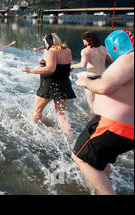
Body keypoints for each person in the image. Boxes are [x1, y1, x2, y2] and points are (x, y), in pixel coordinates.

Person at [72, 30, 134, 195]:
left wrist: (85, 82)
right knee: (99, 161)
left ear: (115, 47)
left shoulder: (129, 59)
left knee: (80, 157)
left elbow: (104, 87)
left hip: (115, 125)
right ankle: (98, 188)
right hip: (125, 127)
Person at [21, 33, 75, 137]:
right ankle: (70, 137)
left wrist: (29, 70)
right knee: (61, 113)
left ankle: (32, 133)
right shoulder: (67, 50)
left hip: (49, 84)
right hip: (64, 83)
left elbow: (50, 69)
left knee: (37, 111)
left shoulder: (51, 51)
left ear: (47, 42)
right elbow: (66, 67)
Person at [71, 31, 113, 112]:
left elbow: (83, 65)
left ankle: (96, 120)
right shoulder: (103, 48)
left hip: (92, 78)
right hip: (103, 78)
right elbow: (112, 60)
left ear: (88, 40)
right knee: (101, 102)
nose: (83, 41)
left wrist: (72, 66)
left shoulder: (85, 51)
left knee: (92, 103)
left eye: (84, 39)